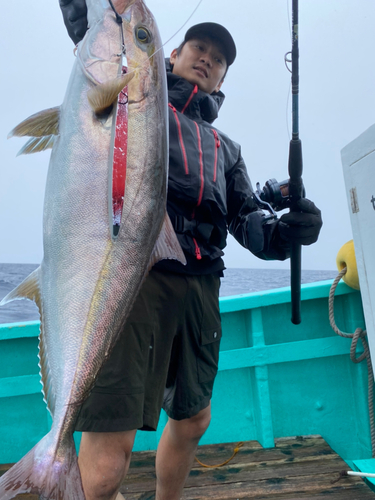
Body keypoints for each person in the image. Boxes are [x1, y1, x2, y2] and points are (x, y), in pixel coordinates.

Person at [59, 2, 323, 500]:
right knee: (106, 454)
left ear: (224, 77)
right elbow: (92, 37)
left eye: (219, 57)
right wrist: (89, 16)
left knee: (193, 416)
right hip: (135, 277)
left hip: (202, 288)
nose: (207, 58)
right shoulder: (133, 99)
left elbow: (248, 223)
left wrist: (289, 233)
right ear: (173, 52)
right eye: (200, 47)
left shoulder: (227, 148)